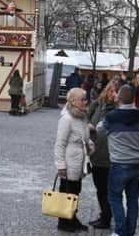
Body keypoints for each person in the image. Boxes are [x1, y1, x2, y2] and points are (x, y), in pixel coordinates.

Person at [101, 85, 139, 236]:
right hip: (137, 164)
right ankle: (130, 231)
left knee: (114, 197)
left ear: (120, 98)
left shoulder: (112, 116)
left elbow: (100, 129)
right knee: (132, 199)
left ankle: (120, 230)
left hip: (118, 163)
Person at [54, 88, 93, 232]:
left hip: (80, 161)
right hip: (69, 162)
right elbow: (60, 143)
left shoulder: (82, 116)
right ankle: (64, 222)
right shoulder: (66, 118)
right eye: (82, 99)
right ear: (73, 101)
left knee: (75, 191)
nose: (85, 102)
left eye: (85, 99)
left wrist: (90, 144)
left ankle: (72, 218)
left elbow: (84, 138)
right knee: (67, 192)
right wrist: (61, 165)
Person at [87, 79, 119, 230]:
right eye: (111, 90)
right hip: (96, 153)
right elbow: (85, 119)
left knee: (106, 189)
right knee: (100, 188)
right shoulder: (98, 105)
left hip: (109, 155)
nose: (113, 94)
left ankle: (106, 218)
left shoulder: (117, 110)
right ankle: (103, 215)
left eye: (115, 91)